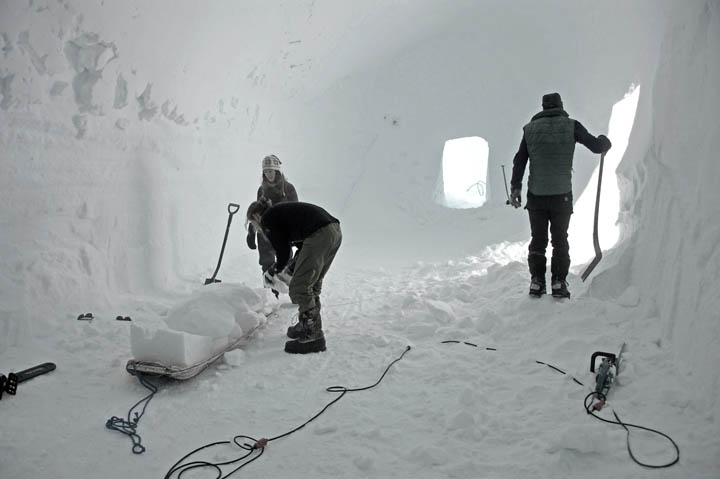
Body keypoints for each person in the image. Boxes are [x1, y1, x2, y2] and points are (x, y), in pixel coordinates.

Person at [510, 92, 612, 298]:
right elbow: (595, 146)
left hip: (536, 195)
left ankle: (537, 282)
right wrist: (604, 142)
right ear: (560, 105)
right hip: (561, 195)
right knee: (559, 239)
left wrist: (515, 188)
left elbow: (520, 160)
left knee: (538, 239)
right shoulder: (572, 125)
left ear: (543, 107)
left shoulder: (530, 130)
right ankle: (558, 282)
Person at [246, 199, 342, 354]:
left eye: (253, 223)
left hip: (320, 234)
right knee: (312, 282)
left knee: (299, 287)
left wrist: (273, 271)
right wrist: (289, 268)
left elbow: (284, 253)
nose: (256, 229)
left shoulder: (268, 219)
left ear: (256, 217)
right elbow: (299, 247)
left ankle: (313, 336)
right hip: (333, 231)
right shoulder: (279, 214)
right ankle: (308, 325)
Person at [246, 155, 299, 297]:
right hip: (265, 232)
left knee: (287, 263)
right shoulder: (261, 190)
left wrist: (295, 233)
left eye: (271, 171)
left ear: (277, 171)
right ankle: (270, 296)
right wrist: (251, 232)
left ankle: (295, 292)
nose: (268, 174)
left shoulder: (288, 189)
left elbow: (296, 211)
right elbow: (257, 212)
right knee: (266, 262)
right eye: (266, 171)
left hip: (283, 231)